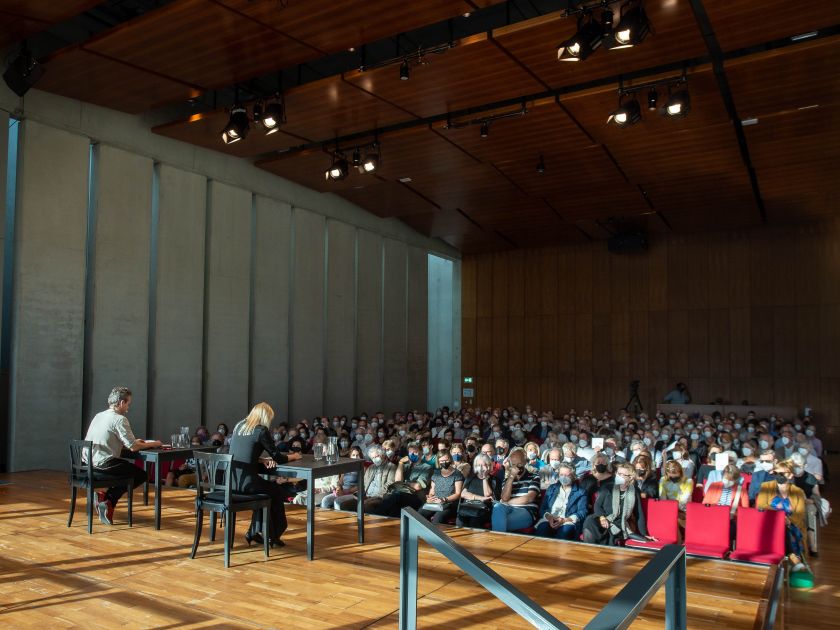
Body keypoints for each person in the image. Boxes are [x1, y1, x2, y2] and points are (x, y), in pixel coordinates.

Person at [83, 386, 161, 525]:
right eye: (128, 404)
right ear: (121, 403)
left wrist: (133, 442)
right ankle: (109, 500)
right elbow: (133, 447)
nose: (128, 408)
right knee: (141, 475)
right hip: (104, 464)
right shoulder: (120, 419)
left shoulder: (99, 415)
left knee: (128, 471)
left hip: (88, 463)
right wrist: (154, 444)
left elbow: (110, 437)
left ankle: (103, 496)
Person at [229, 402, 302, 547]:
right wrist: (294, 456)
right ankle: (271, 535)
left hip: (232, 482)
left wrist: (260, 459)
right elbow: (278, 457)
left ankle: (257, 532)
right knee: (276, 491)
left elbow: (240, 452)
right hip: (249, 484)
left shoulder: (239, 426)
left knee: (267, 493)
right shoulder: (260, 430)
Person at [756, 460, 808, 571]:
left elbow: (799, 514)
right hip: (768, 522)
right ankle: (793, 557)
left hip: (791, 524)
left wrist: (788, 521)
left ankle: (791, 557)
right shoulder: (766, 486)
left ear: (790, 475)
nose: (778, 476)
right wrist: (780, 517)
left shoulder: (798, 492)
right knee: (780, 526)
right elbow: (761, 505)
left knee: (784, 528)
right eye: (776, 473)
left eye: (782, 473)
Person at [582, 462, 651, 546]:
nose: (619, 476)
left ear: (630, 477)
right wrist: (602, 517)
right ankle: (590, 551)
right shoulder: (607, 487)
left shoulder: (634, 491)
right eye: (618, 473)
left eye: (623, 475)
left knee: (611, 533)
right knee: (590, 521)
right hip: (603, 518)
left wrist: (644, 534)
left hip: (618, 523)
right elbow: (597, 505)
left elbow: (639, 514)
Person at [371, 442, 434, 517]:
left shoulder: (427, 467)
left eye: (415, 452)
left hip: (417, 497)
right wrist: (400, 463)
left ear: (421, 453)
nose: (412, 454)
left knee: (396, 496)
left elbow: (418, 486)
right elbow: (398, 480)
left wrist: (404, 483)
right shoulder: (406, 466)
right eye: (410, 452)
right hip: (403, 495)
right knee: (393, 505)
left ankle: (375, 515)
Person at [491, 448, 540, 532]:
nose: (517, 467)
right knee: (497, 507)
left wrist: (507, 503)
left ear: (525, 462)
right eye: (513, 464)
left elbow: (529, 498)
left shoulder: (534, 477)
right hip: (508, 509)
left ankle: (497, 541)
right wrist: (511, 477)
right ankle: (499, 540)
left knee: (499, 522)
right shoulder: (507, 480)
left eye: (519, 464)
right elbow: (505, 498)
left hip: (526, 511)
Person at [534, 464, 588, 540]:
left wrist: (564, 520)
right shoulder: (552, 488)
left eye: (567, 475)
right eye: (561, 474)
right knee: (542, 529)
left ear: (573, 476)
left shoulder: (581, 492)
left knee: (564, 532)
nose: (564, 477)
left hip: (568, 521)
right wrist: (549, 517)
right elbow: (543, 508)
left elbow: (582, 512)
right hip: (550, 518)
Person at [419, 449, 464, 524]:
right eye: (442, 461)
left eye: (446, 460)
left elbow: (458, 494)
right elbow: (432, 491)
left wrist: (444, 499)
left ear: (450, 459)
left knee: (438, 517)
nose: (444, 462)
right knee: (419, 513)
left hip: (449, 504)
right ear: (438, 462)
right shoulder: (436, 473)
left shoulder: (457, 474)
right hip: (435, 502)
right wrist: (430, 498)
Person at [349, 445, 397, 513]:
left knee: (365, 504)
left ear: (382, 455)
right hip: (366, 495)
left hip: (380, 497)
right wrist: (359, 494)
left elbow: (390, 484)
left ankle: (364, 523)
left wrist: (375, 497)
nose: (375, 459)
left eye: (377, 456)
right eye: (373, 458)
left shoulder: (391, 467)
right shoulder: (371, 467)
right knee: (344, 504)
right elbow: (364, 483)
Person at [457, 453, 499, 528]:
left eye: (483, 465)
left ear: (489, 466)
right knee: (460, 520)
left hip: (484, 509)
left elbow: (488, 494)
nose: (481, 468)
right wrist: (481, 498)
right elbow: (463, 494)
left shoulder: (494, 480)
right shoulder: (471, 478)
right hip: (469, 506)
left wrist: (485, 478)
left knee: (474, 521)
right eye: (478, 465)